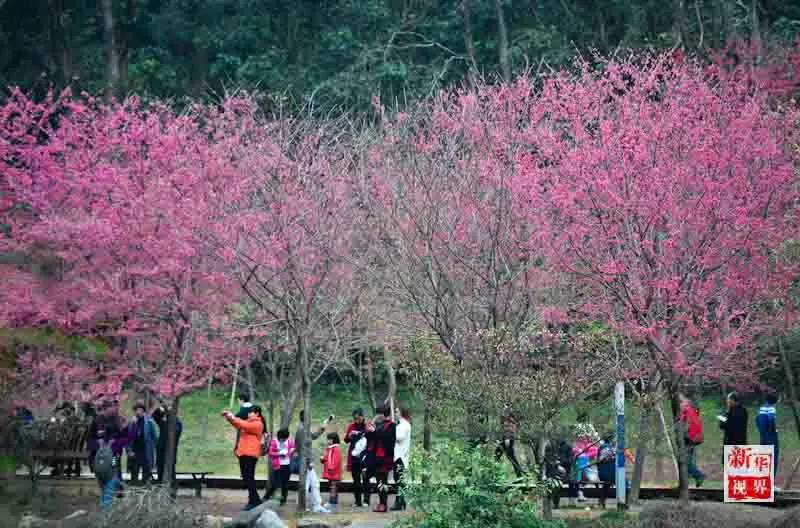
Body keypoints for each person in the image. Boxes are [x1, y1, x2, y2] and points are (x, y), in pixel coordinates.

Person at [223, 405, 266, 511]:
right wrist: (229, 417)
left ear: (257, 413)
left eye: (250, 412)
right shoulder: (248, 422)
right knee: (247, 478)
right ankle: (255, 499)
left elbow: (243, 425)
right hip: (243, 453)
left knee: (249, 478)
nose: (248, 414)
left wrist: (232, 416)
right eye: (248, 412)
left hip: (250, 454)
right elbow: (238, 424)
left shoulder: (258, 424)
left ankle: (253, 501)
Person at [364, 404, 396, 513]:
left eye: (378, 414)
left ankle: (383, 504)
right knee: (379, 481)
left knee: (383, 481)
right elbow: (370, 436)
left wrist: (375, 431)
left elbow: (388, 439)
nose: (377, 416)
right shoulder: (379, 425)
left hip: (385, 458)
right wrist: (371, 427)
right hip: (376, 458)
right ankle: (381, 503)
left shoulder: (391, 425)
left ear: (383, 414)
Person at [127, 402, 158, 485]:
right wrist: (129, 450)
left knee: (146, 473)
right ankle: (134, 489)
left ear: (143, 411)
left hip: (145, 451)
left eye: (140, 410)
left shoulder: (149, 422)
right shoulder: (131, 423)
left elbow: (154, 437)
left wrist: (155, 448)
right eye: (136, 410)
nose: (138, 412)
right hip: (135, 451)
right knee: (134, 473)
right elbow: (128, 438)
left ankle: (146, 489)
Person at [151, 404, 183, 484]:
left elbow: (175, 433)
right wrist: (162, 408)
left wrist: (170, 415)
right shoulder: (164, 423)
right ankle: (161, 488)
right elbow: (155, 415)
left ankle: (171, 491)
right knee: (160, 472)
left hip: (170, 453)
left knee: (170, 473)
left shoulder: (177, 424)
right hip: (161, 452)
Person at [680, 394, 706, 487]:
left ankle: (699, 475)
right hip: (694, 438)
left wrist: (681, 433)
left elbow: (686, 425)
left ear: (687, 401)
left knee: (685, 462)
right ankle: (687, 482)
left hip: (689, 439)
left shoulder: (686, 410)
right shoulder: (693, 410)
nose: (681, 403)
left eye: (682, 401)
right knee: (687, 460)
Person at [293, 410, 331, 474]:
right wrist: (309, 461)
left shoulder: (305, 429)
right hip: (304, 461)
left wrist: (323, 427)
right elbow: (302, 447)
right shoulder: (302, 430)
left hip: (306, 461)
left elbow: (314, 436)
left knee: (312, 482)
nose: (310, 419)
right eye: (309, 417)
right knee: (311, 482)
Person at [344, 408, 369, 507]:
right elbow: (346, 440)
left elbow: (372, 439)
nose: (356, 420)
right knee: (356, 480)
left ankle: (366, 500)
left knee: (366, 479)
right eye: (354, 418)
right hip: (354, 456)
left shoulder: (367, 427)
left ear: (362, 417)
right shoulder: (351, 426)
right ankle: (357, 501)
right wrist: (349, 436)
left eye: (358, 418)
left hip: (365, 457)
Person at [264, 428, 294, 506]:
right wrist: (279, 454)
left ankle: (283, 499)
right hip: (278, 465)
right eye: (281, 438)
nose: (282, 440)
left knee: (285, 484)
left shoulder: (289, 442)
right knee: (275, 483)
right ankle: (267, 496)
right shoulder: (274, 442)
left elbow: (292, 449)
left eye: (284, 439)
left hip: (287, 465)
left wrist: (289, 452)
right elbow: (270, 453)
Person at [391, 407, 411, 511]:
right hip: (397, 456)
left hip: (401, 457)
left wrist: (392, 429)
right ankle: (402, 501)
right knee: (398, 479)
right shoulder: (400, 424)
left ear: (402, 412)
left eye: (397, 411)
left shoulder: (404, 425)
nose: (395, 413)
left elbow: (400, 438)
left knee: (399, 480)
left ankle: (399, 502)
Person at [756, 394, 780, 483]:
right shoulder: (771, 409)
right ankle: (770, 483)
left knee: (764, 459)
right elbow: (772, 421)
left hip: (763, 437)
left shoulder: (761, 409)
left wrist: (762, 433)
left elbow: (757, 421)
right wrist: (774, 430)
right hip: (771, 438)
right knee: (773, 460)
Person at [495, 413, 524, 477]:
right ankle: (519, 475)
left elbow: (510, 430)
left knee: (510, 457)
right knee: (498, 454)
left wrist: (507, 439)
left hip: (508, 439)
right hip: (506, 439)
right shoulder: (508, 421)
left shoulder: (510, 421)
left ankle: (519, 475)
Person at [321, 432, 343, 512]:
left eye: (329, 439)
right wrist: (323, 459)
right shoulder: (330, 448)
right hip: (331, 473)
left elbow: (336, 460)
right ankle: (332, 501)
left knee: (333, 488)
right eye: (328, 439)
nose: (328, 441)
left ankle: (333, 503)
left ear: (334, 440)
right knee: (331, 487)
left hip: (334, 473)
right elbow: (327, 458)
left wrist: (331, 467)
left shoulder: (336, 449)